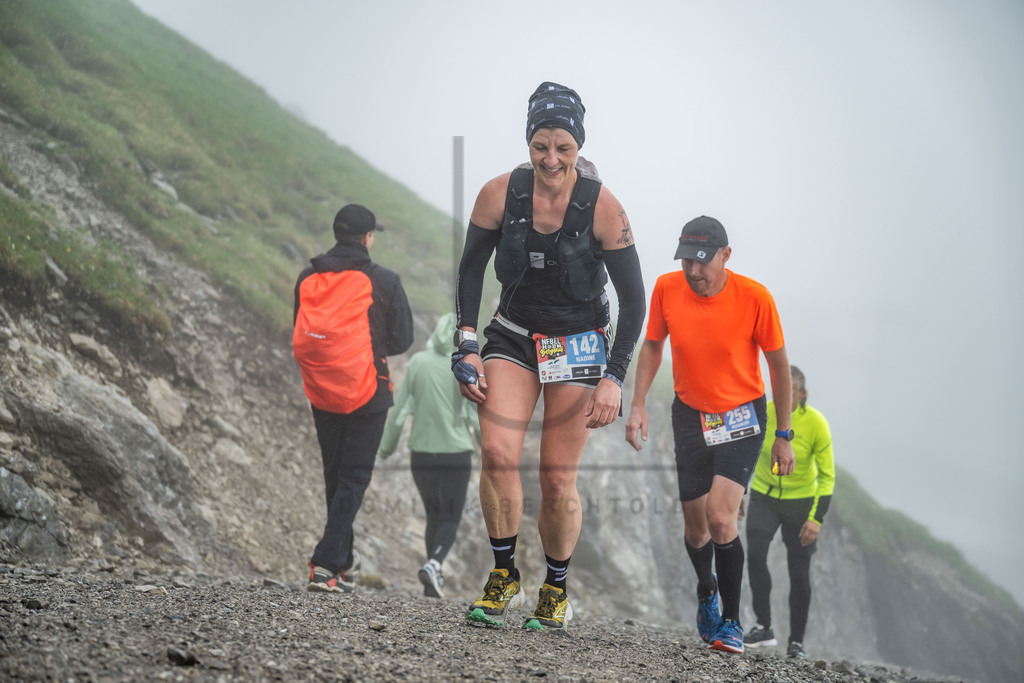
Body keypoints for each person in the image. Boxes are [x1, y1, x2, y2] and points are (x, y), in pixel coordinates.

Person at [451, 82, 646, 630]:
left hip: (579, 340)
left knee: (557, 477)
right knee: (496, 452)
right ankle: (504, 574)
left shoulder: (604, 208)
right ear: (528, 142)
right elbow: (469, 269)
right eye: (541, 145)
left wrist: (614, 377)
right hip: (513, 333)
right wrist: (466, 339)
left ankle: (555, 588)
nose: (551, 159)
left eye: (563, 147)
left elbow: (634, 299)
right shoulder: (498, 193)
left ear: (578, 146)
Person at [625, 215, 794, 654]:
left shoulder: (755, 298)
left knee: (722, 518)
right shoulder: (667, 287)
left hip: (742, 418)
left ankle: (733, 624)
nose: (694, 272)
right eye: (687, 262)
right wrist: (639, 403)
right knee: (697, 530)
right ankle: (707, 591)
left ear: (725, 256)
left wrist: (785, 433)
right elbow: (652, 345)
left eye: (703, 262)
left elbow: (778, 366)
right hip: (691, 416)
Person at [292, 203, 413, 593]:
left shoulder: (308, 276)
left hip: (321, 389)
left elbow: (301, 326)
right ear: (367, 237)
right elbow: (403, 338)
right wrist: (368, 348)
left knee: (335, 474)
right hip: (368, 390)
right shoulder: (385, 280)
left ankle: (341, 562)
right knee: (354, 476)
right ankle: (325, 564)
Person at [379, 312, 481, 599]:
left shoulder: (417, 363)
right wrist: (489, 449)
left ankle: (431, 576)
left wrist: (387, 446)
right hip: (456, 454)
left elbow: (398, 413)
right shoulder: (463, 366)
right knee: (450, 517)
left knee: (434, 514)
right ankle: (435, 564)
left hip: (421, 455)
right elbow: (474, 417)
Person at [743, 365, 835, 659]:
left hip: (801, 503)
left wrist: (815, 519)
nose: (781, 395)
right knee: (755, 554)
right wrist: (738, 490)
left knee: (800, 574)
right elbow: (745, 450)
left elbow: (828, 476)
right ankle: (763, 626)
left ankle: (796, 642)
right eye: (778, 388)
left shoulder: (817, 424)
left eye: (789, 391)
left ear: (803, 394)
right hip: (764, 495)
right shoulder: (763, 412)